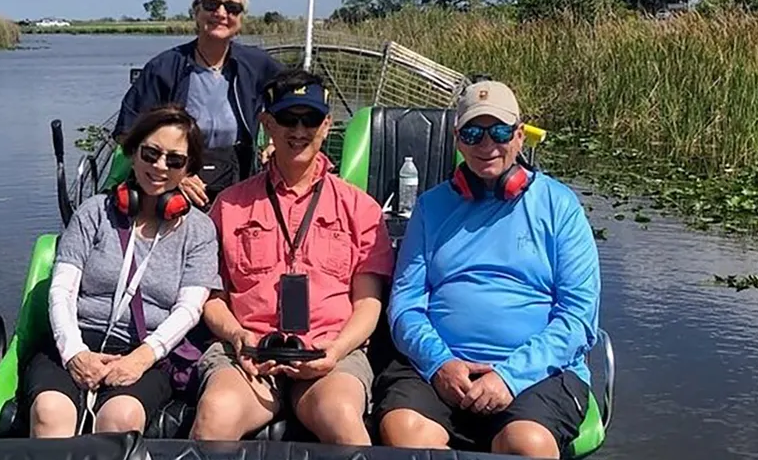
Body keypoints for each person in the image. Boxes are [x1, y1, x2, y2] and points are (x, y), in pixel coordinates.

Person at [372, 80, 601, 458]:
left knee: (526, 444)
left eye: (499, 131)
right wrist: (439, 363)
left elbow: (578, 318)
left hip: (537, 375)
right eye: (474, 133)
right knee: (403, 432)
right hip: (439, 371)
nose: (487, 145)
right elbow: (405, 306)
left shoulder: (560, 207)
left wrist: (510, 377)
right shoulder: (430, 208)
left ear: (520, 136)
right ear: (458, 140)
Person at [189, 68, 395, 445]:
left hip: (329, 354)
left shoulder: (360, 208)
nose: (299, 130)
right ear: (267, 122)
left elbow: (367, 302)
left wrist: (334, 351)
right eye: (287, 118)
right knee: (215, 415)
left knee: (343, 419)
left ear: (327, 125)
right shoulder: (229, 205)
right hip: (247, 354)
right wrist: (239, 335)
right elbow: (212, 297)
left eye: (310, 119)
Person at [24, 104, 222, 438]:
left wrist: (141, 359)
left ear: (188, 168)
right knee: (50, 411)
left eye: (174, 160)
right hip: (78, 338)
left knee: (121, 416)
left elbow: (189, 309)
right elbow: (62, 290)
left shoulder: (200, 231)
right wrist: (74, 353)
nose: (159, 167)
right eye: (151, 153)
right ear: (133, 152)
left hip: (148, 349)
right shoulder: (93, 213)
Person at [112, 0, 285, 209]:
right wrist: (175, 174)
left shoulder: (256, 65)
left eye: (232, 7)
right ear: (196, 11)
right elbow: (127, 132)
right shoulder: (164, 67)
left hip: (239, 182)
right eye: (211, 4)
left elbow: (300, 94)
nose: (221, 13)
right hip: (173, 188)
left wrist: (277, 139)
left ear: (241, 18)